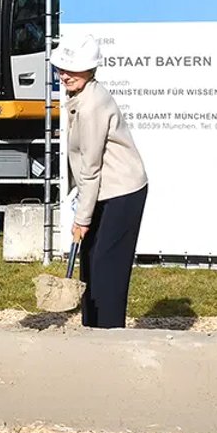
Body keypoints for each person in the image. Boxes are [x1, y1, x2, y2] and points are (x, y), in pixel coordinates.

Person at [52, 36, 149, 329]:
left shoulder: (92, 104)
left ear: (91, 69)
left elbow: (91, 167)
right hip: (103, 191)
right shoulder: (80, 96)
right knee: (91, 262)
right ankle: (90, 331)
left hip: (122, 192)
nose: (64, 75)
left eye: (73, 69)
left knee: (107, 268)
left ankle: (108, 337)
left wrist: (82, 219)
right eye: (61, 69)